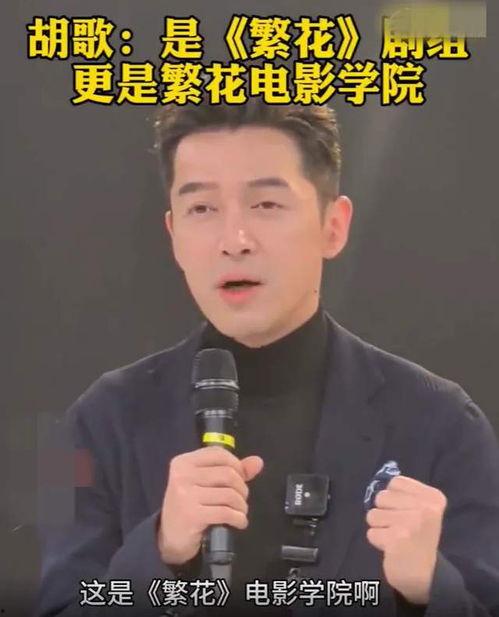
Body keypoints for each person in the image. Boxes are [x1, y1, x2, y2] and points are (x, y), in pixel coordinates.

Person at [35, 99, 499, 617]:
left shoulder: (440, 422)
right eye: (202, 209)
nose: (234, 241)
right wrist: (160, 549)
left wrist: (429, 589)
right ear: (174, 237)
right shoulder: (98, 421)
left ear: (333, 226)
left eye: (266, 205)